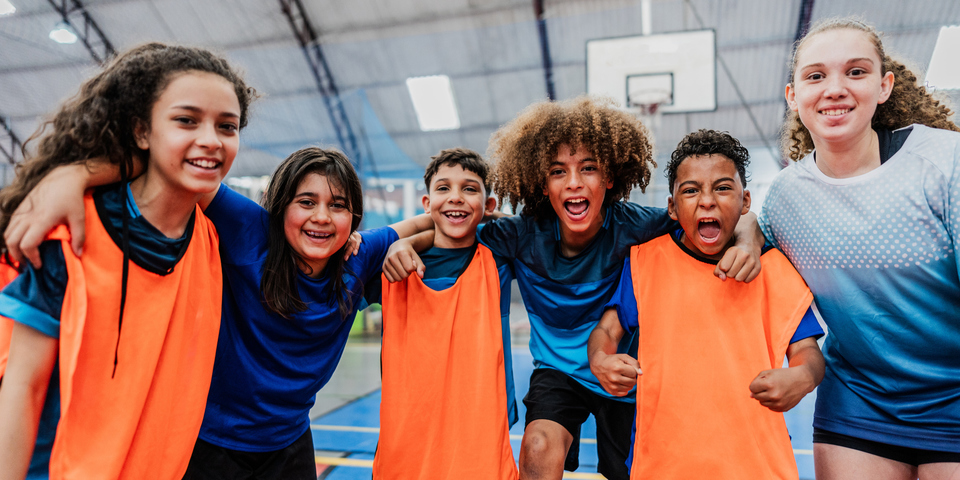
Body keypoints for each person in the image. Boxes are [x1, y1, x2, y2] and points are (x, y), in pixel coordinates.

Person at [383, 96, 765, 480]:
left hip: (625, 374)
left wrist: (749, 240)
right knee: (537, 447)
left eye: (589, 168)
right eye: (558, 171)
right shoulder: (522, 235)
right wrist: (405, 241)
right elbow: (457, 227)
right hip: (557, 373)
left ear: (610, 178)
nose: (574, 182)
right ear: (542, 184)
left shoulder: (635, 226)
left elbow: (722, 215)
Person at [4, 145, 432, 479]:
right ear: (279, 206)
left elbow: (426, 224)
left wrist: (405, 244)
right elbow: (167, 164)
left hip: (290, 445)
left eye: (337, 206)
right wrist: (71, 176)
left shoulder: (359, 256)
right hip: (210, 442)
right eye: (306, 201)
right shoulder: (249, 230)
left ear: (353, 217)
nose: (322, 217)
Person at [0, 43, 255, 479]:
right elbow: (25, 388)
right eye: (186, 120)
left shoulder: (213, 240)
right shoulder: (71, 230)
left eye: (226, 126)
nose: (211, 140)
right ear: (142, 131)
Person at [762, 17, 960, 480]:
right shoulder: (784, 200)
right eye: (815, 76)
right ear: (793, 95)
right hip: (859, 400)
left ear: (884, 86)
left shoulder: (944, 163)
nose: (835, 89)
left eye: (856, 72)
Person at [589, 129, 825, 479]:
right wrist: (600, 359)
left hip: (756, 465)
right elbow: (607, 331)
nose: (707, 201)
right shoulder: (644, 262)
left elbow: (807, 352)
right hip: (661, 464)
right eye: (691, 190)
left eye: (722, 188)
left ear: (745, 201)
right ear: (672, 207)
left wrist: (803, 376)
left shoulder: (774, 268)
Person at [373, 148, 518, 479]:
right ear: (426, 203)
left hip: (478, 436)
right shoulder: (394, 264)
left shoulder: (498, 257)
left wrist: (414, 238)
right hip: (409, 439)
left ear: (489, 205)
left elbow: (531, 226)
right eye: (443, 188)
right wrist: (402, 243)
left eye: (469, 189)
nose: (456, 197)